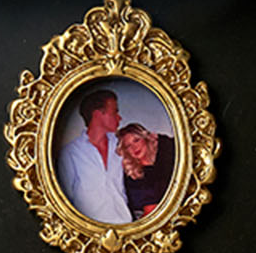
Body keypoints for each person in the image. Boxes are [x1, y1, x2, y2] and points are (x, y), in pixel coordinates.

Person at [55, 86, 131, 224]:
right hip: (87, 229)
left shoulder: (121, 144)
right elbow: (64, 201)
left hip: (125, 224)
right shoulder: (70, 154)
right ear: (97, 115)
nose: (119, 118)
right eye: (115, 112)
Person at [117, 122, 176, 218]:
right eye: (128, 146)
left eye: (136, 140)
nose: (134, 147)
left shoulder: (165, 155)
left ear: (145, 138)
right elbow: (150, 211)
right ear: (125, 151)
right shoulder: (133, 176)